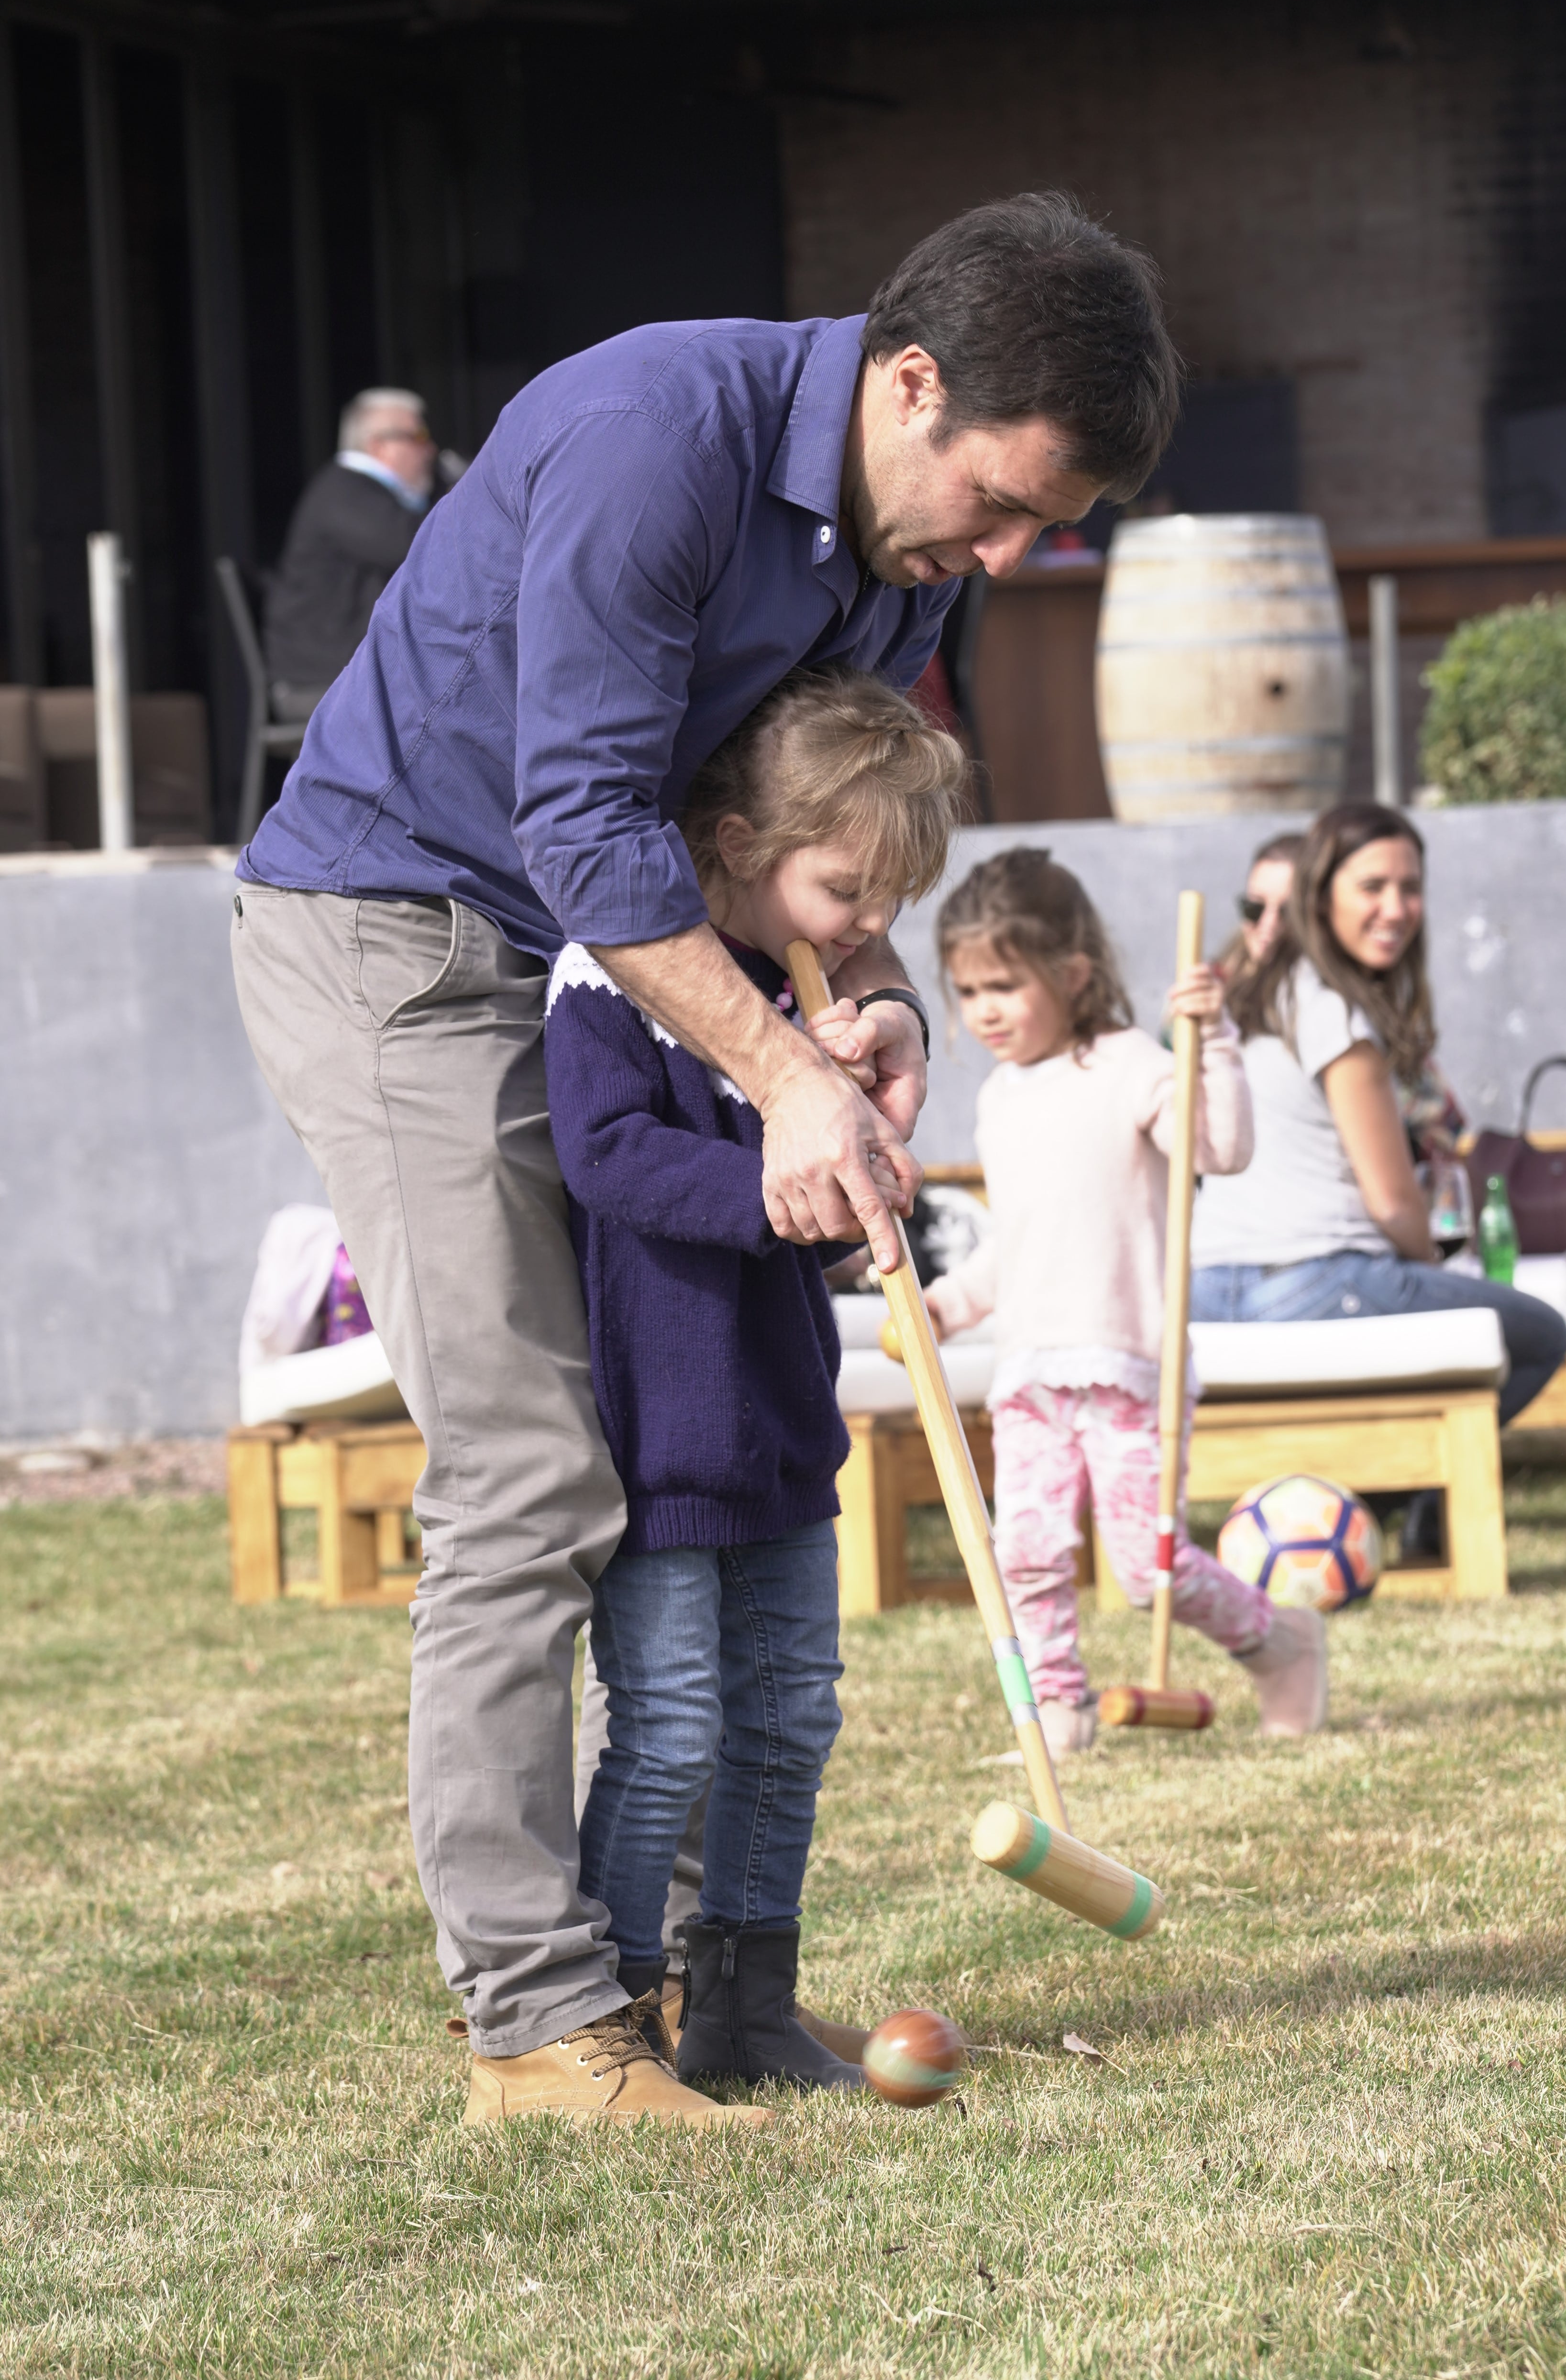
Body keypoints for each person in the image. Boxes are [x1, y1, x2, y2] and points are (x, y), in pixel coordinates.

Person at [231, 191, 1180, 2130]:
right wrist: (775, 1072)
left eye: (1036, 531)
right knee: (533, 1463)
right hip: (403, 933)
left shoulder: (902, 546)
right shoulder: (656, 435)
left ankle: (680, 1984)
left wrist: (869, 996)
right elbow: (582, 819)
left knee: (673, 1469)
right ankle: (531, 2021)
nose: (1001, 558)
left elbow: (802, 806)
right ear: (910, 382)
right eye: (1001, 508)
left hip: (622, 952)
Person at [548, 667, 966, 2106]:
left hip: (784, 1424)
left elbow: (818, 1169)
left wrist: (860, 1164)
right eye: (846, 891)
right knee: (668, 1727)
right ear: (734, 842)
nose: (864, 933)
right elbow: (608, 1159)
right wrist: (783, 1182)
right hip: (664, 1432)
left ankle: (747, 2005)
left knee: (791, 1720)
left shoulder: (805, 1015)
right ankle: (615, 2013)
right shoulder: (614, 984)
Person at [923, 848, 1330, 1749]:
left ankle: (1284, 1644)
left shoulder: (1128, 1064)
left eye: (1002, 985)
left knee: (1150, 1573)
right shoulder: (998, 1098)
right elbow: (1021, 1242)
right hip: (1030, 1370)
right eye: (967, 991)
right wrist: (949, 1304)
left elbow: (1217, 1150)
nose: (982, 1010)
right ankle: (1058, 1709)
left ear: (1071, 974)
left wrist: (1210, 1043)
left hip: (1129, 1366)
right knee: (1024, 1555)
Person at [1191, 801, 1566, 1557]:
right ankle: (1415, 1498)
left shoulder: (1257, 997)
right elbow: (1393, 1200)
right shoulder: (1334, 1008)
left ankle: (1367, 1503)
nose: (1394, 907)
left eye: (1409, 887)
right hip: (1316, 1280)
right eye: (1372, 886)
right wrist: (1427, 1264)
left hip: (1206, 1286)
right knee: (1537, 1332)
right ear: (1322, 893)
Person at [263, 389, 439, 717]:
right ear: (378, 445)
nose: (429, 449)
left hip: (348, 674)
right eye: (418, 435)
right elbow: (418, 547)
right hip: (324, 682)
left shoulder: (358, 494)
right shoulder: (346, 493)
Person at [1223, 831, 1305, 986]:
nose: (1269, 924)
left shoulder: (1321, 996)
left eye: (1288, 912)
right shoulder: (1219, 977)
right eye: (1255, 907)